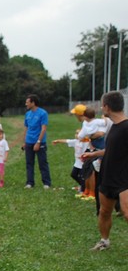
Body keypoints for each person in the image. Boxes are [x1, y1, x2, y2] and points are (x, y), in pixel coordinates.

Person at [83, 91, 128, 251]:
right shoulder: (114, 127)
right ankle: (104, 241)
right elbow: (112, 150)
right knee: (104, 211)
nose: (102, 108)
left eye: (102, 105)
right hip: (108, 177)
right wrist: (94, 153)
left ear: (107, 107)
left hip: (124, 179)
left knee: (127, 212)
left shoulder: (126, 126)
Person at [22, 94, 51, 189]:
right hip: (29, 141)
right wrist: (24, 141)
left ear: (33, 103)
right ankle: (30, 182)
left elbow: (43, 129)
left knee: (42, 162)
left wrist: (38, 142)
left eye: (27, 102)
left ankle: (46, 183)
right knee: (29, 163)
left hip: (39, 142)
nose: (26, 104)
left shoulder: (43, 113)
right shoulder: (27, 114)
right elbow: (26, 128)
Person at [53, 130, 88, 196]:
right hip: (77, 163)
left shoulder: (86, 142)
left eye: (78, 133)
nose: (76, 135)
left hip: (83, 163)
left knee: (82, 177)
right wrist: (57, 141)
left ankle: (83, 190)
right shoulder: (75, 141)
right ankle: (83, 186)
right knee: (73, 174)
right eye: (76, 133)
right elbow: (66, 141)